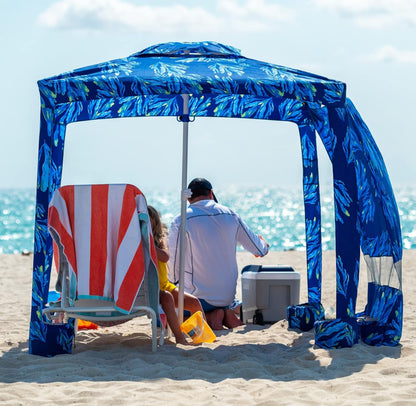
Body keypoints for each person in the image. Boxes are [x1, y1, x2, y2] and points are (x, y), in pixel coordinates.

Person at [168, 178, 269, 330]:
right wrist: (264, 244)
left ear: (188, 198)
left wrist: (172, 285)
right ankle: (224, 312)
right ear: (211, 193)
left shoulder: (181, 219)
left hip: (198, 298)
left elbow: (174, 267)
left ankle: (210, 316)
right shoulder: (231, 215)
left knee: (160, 315)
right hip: (227, 297)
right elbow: (260, 250)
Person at [147, 205, 206, 345]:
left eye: (148, 221)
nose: (146, 225)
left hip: (165, 285)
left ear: (155, 221)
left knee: (194, 303)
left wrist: (147, 243)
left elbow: (165, 257)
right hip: (148, 289)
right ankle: (180, 338)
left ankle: (200, 336)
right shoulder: (131, 242)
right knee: (167, 299)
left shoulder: (161, 240)